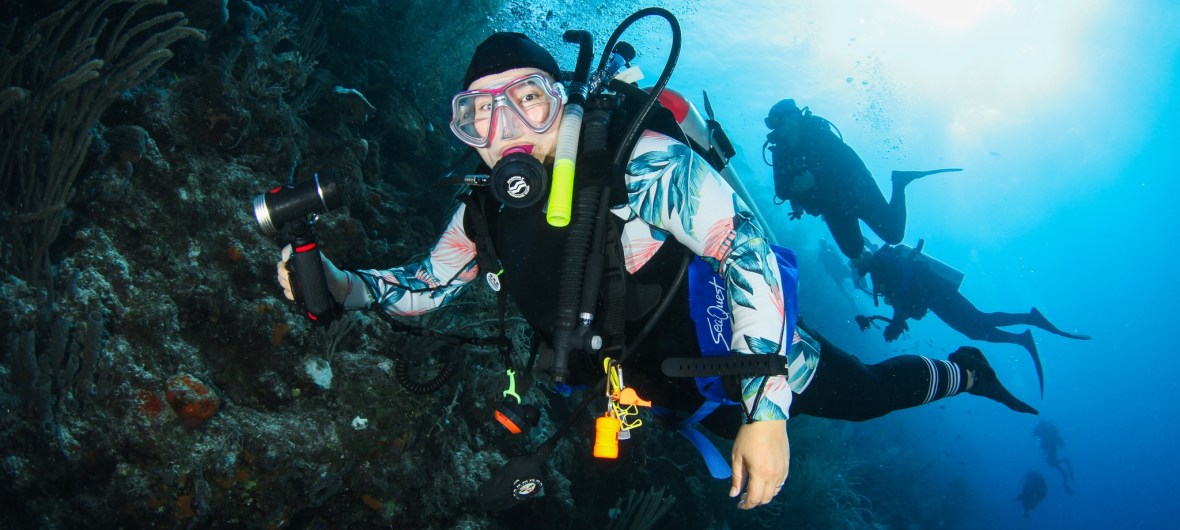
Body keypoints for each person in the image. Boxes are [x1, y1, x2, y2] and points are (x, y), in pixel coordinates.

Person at [273, 32, 1037, 511]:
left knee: (866, 397)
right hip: (651, 394)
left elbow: (745, 249)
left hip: (747, 359)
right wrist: (343, 285)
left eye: (528, 101)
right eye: (477, 115)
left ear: (562, 100)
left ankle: (962, 369)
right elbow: (427, 285)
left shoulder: (640, 165)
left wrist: (767, 409)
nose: (504, 130)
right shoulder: (485, 210)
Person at [855, 242, 1090, 394]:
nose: (855, 266)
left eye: (855, 261)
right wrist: (899, 316)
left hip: (939, 293)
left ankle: (1030, 318)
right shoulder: (879, 269)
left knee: (980, 321)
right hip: (936, 300)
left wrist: (898, 317)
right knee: (975, 330)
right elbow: (902, 296)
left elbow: (906, 281)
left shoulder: (881, 262)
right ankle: (1022, 338)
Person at [763, 98, 961, 260]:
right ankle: (874, 264)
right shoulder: (780, 152)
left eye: (777, 121)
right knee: (852, 251)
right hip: (832, 205)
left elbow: (850, 163)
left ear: (794, 117)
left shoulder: (819, 134)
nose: (776, 128)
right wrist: (796, 193)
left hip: (857, 191)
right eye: (771, 123)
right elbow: (780, 190)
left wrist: (816, 176)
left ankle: (899, 183)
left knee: (893, 235)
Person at [1033, 420, 1075, 495]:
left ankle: (1065, 462)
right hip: (1052, 446)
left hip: (1050, 447)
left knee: (1051, 463)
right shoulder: (1048, 429)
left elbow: (1034, 433)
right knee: (1052, 463)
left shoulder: (1042, 428)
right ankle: (1064, 475)